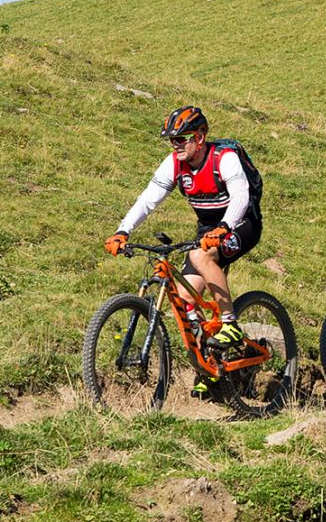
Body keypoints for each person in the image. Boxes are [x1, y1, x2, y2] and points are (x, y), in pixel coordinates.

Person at [105, 106, 262, 392]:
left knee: (198, 255)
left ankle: (230, 323)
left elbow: (241, 196)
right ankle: (212, 368)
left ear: (200, 137)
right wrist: (122, 230)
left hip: (240, 223)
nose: (176, 145)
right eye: (172, 140)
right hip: (207, 231)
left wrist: (225, 227)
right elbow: (147, 200)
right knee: (187, 300)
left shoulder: (223, 159)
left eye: (181, 139)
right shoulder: (174, 163)